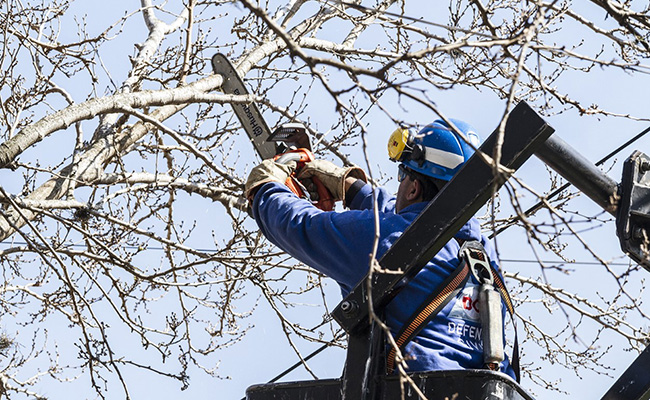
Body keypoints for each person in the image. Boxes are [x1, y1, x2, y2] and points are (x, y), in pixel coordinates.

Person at [244, 119, 516, 379]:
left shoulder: (383, 242)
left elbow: (300, 226)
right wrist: (350, 188)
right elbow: (412, 224)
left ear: (413, 189)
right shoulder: (482, 258)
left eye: (403, 176)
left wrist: (267, 188)